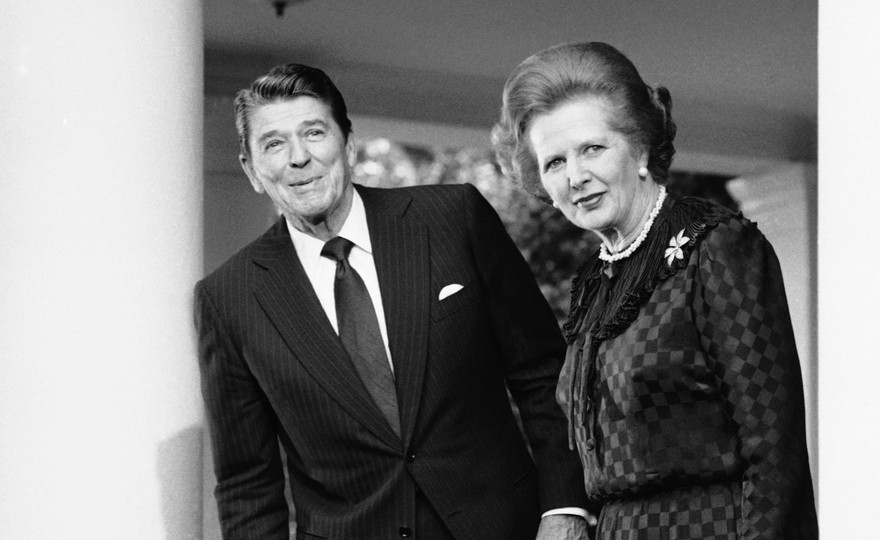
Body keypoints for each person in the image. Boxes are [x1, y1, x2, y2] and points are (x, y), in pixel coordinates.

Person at [194, 63, 597, 539]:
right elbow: (246, 482)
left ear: (347, 144)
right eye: (274, 144)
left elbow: (543, 375)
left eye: (314, 133)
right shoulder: (229, 298)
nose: (298, 157)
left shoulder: (453, 219)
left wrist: (565, 507)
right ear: (253, 171)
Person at [492, 42, 818, 538]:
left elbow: (776, 454)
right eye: (554, 162)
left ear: (640, 147)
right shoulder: (595, 284)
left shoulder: (719, 247)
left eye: (592, 149)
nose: (576, 176)